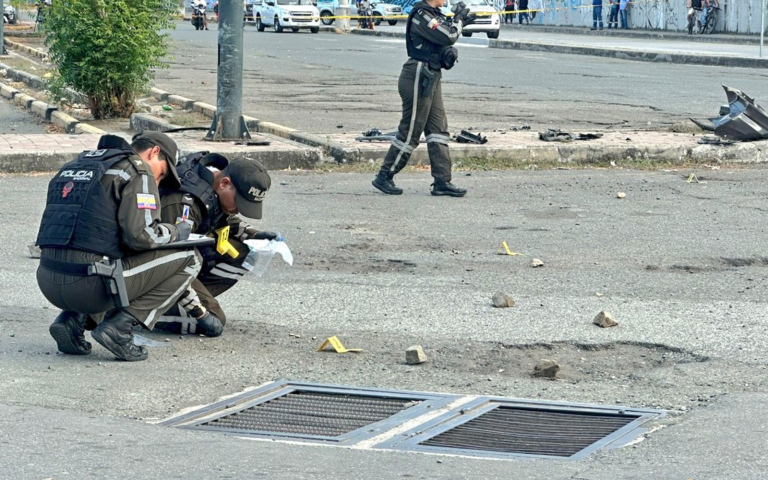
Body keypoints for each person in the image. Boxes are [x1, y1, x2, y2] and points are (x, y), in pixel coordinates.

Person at [35, 132, 203, 362]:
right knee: (191, 257)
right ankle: (120, 328)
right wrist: (177, 231)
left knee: (98, 250)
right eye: (162, 173)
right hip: (90, 287)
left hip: (47, 280)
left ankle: (72, 320)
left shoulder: (75, 165)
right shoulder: (138, 171)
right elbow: (142, 237)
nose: (159, 182)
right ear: (154, 152)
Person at [156, 154, 276, 336]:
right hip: (160, 269)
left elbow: (224, 218)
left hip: (184, 260)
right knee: (214, 318)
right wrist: (200, 312)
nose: (239, 209)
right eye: (239, 203)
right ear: (225, 183)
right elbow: (172, 263)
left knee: (246, 252)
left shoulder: (212, 187)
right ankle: (143, 313)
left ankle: (181, 303)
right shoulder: (184, 205)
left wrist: (255, 235)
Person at [371, 0, 476, 197]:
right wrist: (459, 20)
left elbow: (446, 36)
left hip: (432, 74)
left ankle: (442, 181)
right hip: (419, 75)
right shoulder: (423, 15)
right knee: (411, 130)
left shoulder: (434, 14)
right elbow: (448, 35)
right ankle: (385, 175)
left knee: (438, 129)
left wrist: (459, 22)